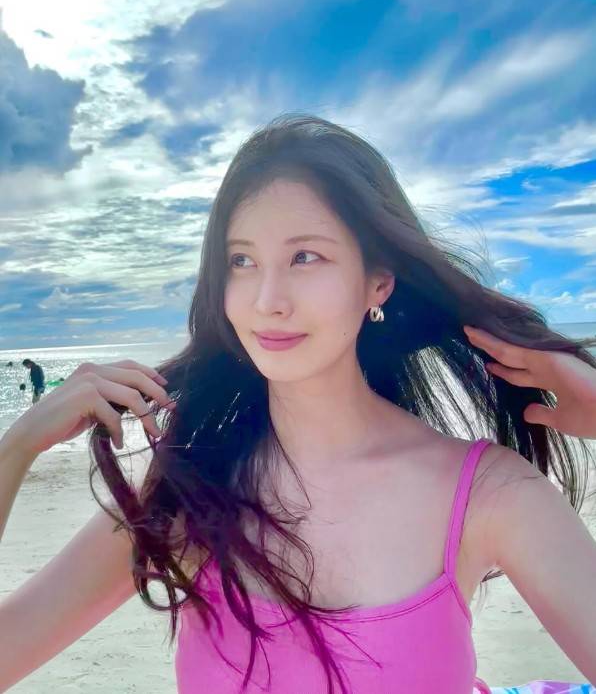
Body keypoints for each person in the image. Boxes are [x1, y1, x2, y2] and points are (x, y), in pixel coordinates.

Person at [1, 113, 596, 693]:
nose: (268, 300)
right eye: (241, 261)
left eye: (304, 256)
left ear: (378, 281)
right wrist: (17, 447)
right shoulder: (188, 490)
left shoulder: (487, 493)